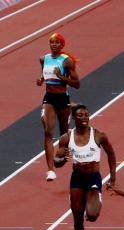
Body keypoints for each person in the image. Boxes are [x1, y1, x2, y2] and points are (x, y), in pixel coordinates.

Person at [54, 104, 116, 230]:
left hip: (93, 178)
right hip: (77, 179)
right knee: (77, 218)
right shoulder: (66, 138)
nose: (84, 117)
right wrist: (62, 158)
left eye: (86, 114)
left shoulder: (98, 135)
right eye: (80, 115)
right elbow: (57, 162)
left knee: (93, 216)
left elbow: (111, 154)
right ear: (73, 118)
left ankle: (93, 202)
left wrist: (113, 178)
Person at [38, 33, 79, 181]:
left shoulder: (67, 61)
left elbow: (77, 84)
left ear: (62, 45)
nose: (54, 45)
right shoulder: (44, 59)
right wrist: (41, 79)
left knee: (64, 134)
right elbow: (44, 73)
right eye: (52, 42)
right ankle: (50, 170)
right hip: (49, 98)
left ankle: (64, 154)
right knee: (47, 131)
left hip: (62, 98)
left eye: (57, 42)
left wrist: (61, 76)